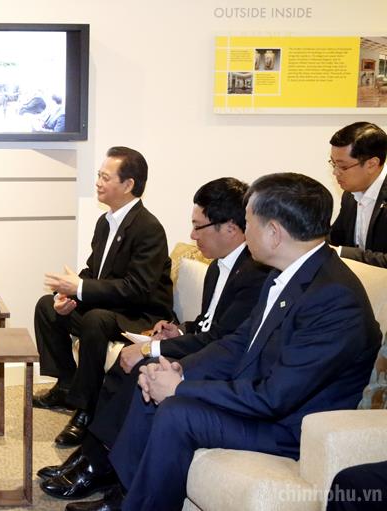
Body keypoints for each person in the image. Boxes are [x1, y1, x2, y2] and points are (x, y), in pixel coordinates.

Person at [65, 173, 381, 511]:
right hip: (263, 400)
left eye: (249, 221)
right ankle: (125, 497)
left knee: (176, 412)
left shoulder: (334, 299)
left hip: (289, 427)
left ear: (274, 233)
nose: (244, 231)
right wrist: (177, 371)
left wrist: (180, 388)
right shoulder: (288, 273)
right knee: (152, 384)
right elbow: (239, 342)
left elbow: (274, 397)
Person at [39, 177, 270, 500]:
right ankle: (92, 456)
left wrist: (151, 347)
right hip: (206, 346)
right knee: (123, 363)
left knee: (139, 365)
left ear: (230, 228)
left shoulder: (255, 274)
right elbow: (210, 323)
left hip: (222, 363)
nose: (192, 236)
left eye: (198, 226)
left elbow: (224, 339)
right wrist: (181, 329)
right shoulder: (219, 267)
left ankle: (100, 467)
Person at [33, 146, 174, 447]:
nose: (97, 182)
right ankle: (65, 385)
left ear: (128, 184)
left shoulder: (148, 228)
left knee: (96, 320)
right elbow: (93, 271)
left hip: (140, 314)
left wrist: (80, 288)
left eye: (105, 177)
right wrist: (68, 293)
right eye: (98, 175)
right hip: (110, 307)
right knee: (47, 306)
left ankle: (86, 410)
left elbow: (137, 289)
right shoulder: (105, 222)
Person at [328, 121, 387, 267]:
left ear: (372, 164)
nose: (335, 172)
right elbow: (335, 237)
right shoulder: (350, 195)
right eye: (333, 164)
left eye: (343, 166)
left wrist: (342, 252)